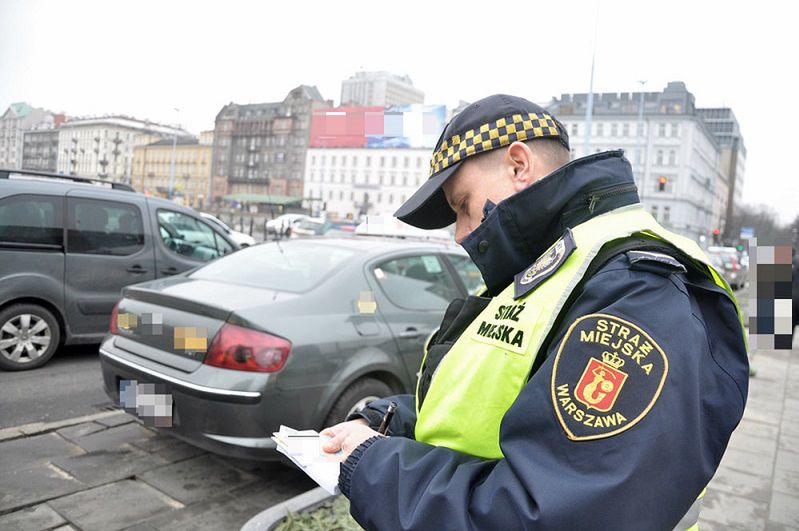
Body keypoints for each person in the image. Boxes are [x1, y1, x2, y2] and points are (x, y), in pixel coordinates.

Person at [321, 94, 749, 530]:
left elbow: (553, 512)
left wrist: (373, 465)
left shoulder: (635, 289)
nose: (460, 234)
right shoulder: (552, 272)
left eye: (462, 206)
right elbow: (489, 408)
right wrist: (389, 422)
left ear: (519, 165)